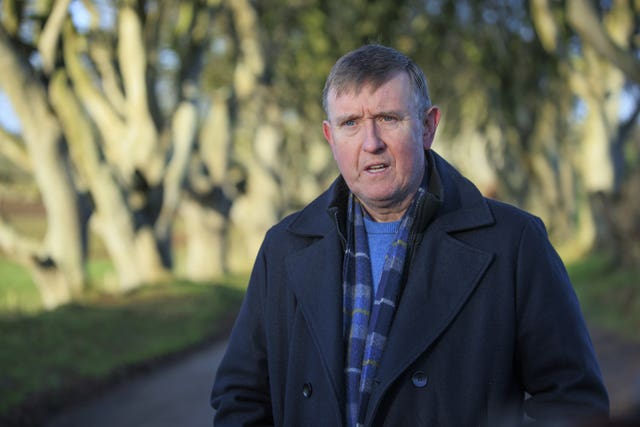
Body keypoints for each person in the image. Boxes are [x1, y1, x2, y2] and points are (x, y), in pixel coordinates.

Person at [211, 44, 609, 426]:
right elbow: (240, 399)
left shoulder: (514, 242)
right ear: (331, 138)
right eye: (350, 123)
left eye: (388, 118)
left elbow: (572, 402)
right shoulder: (283, 248)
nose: (371, 144)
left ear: (427, 127)